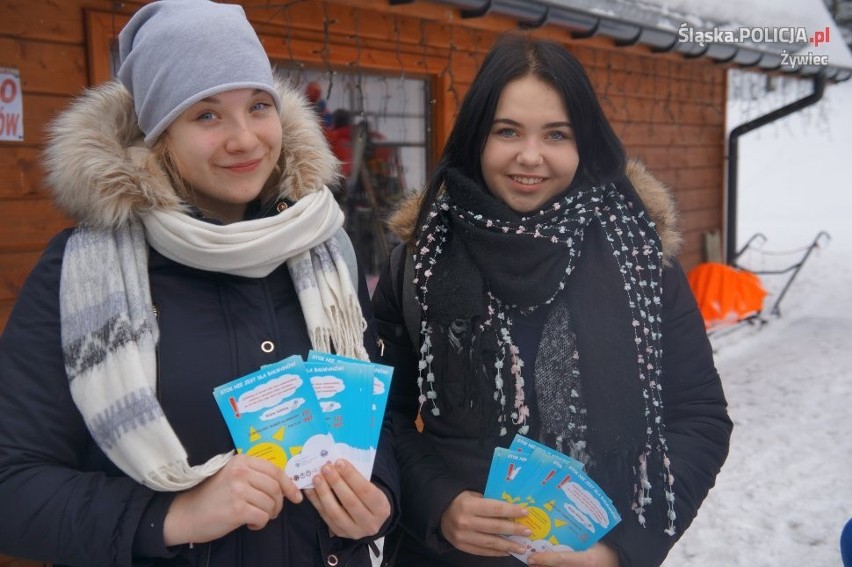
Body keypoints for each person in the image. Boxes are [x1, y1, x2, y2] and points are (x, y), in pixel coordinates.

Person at [0, 1, 398, 565]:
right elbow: (11, 487)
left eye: (258, 106)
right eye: (206, 115)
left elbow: (375, 422)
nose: (245, 139)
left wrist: (380, 499)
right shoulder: (81, 275)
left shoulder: (326, 251)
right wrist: (172, 516)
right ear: (158, 136)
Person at [371, 33, 732, 567]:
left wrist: (619, 553)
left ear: (584, 143)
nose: (530, 156)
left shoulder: (640, 261)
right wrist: (439, 504)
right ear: (476, 139)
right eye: (507, 131)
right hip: (443, 554)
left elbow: (698, 415)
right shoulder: (420, 260)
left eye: (556, 134)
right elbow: (382, 415)